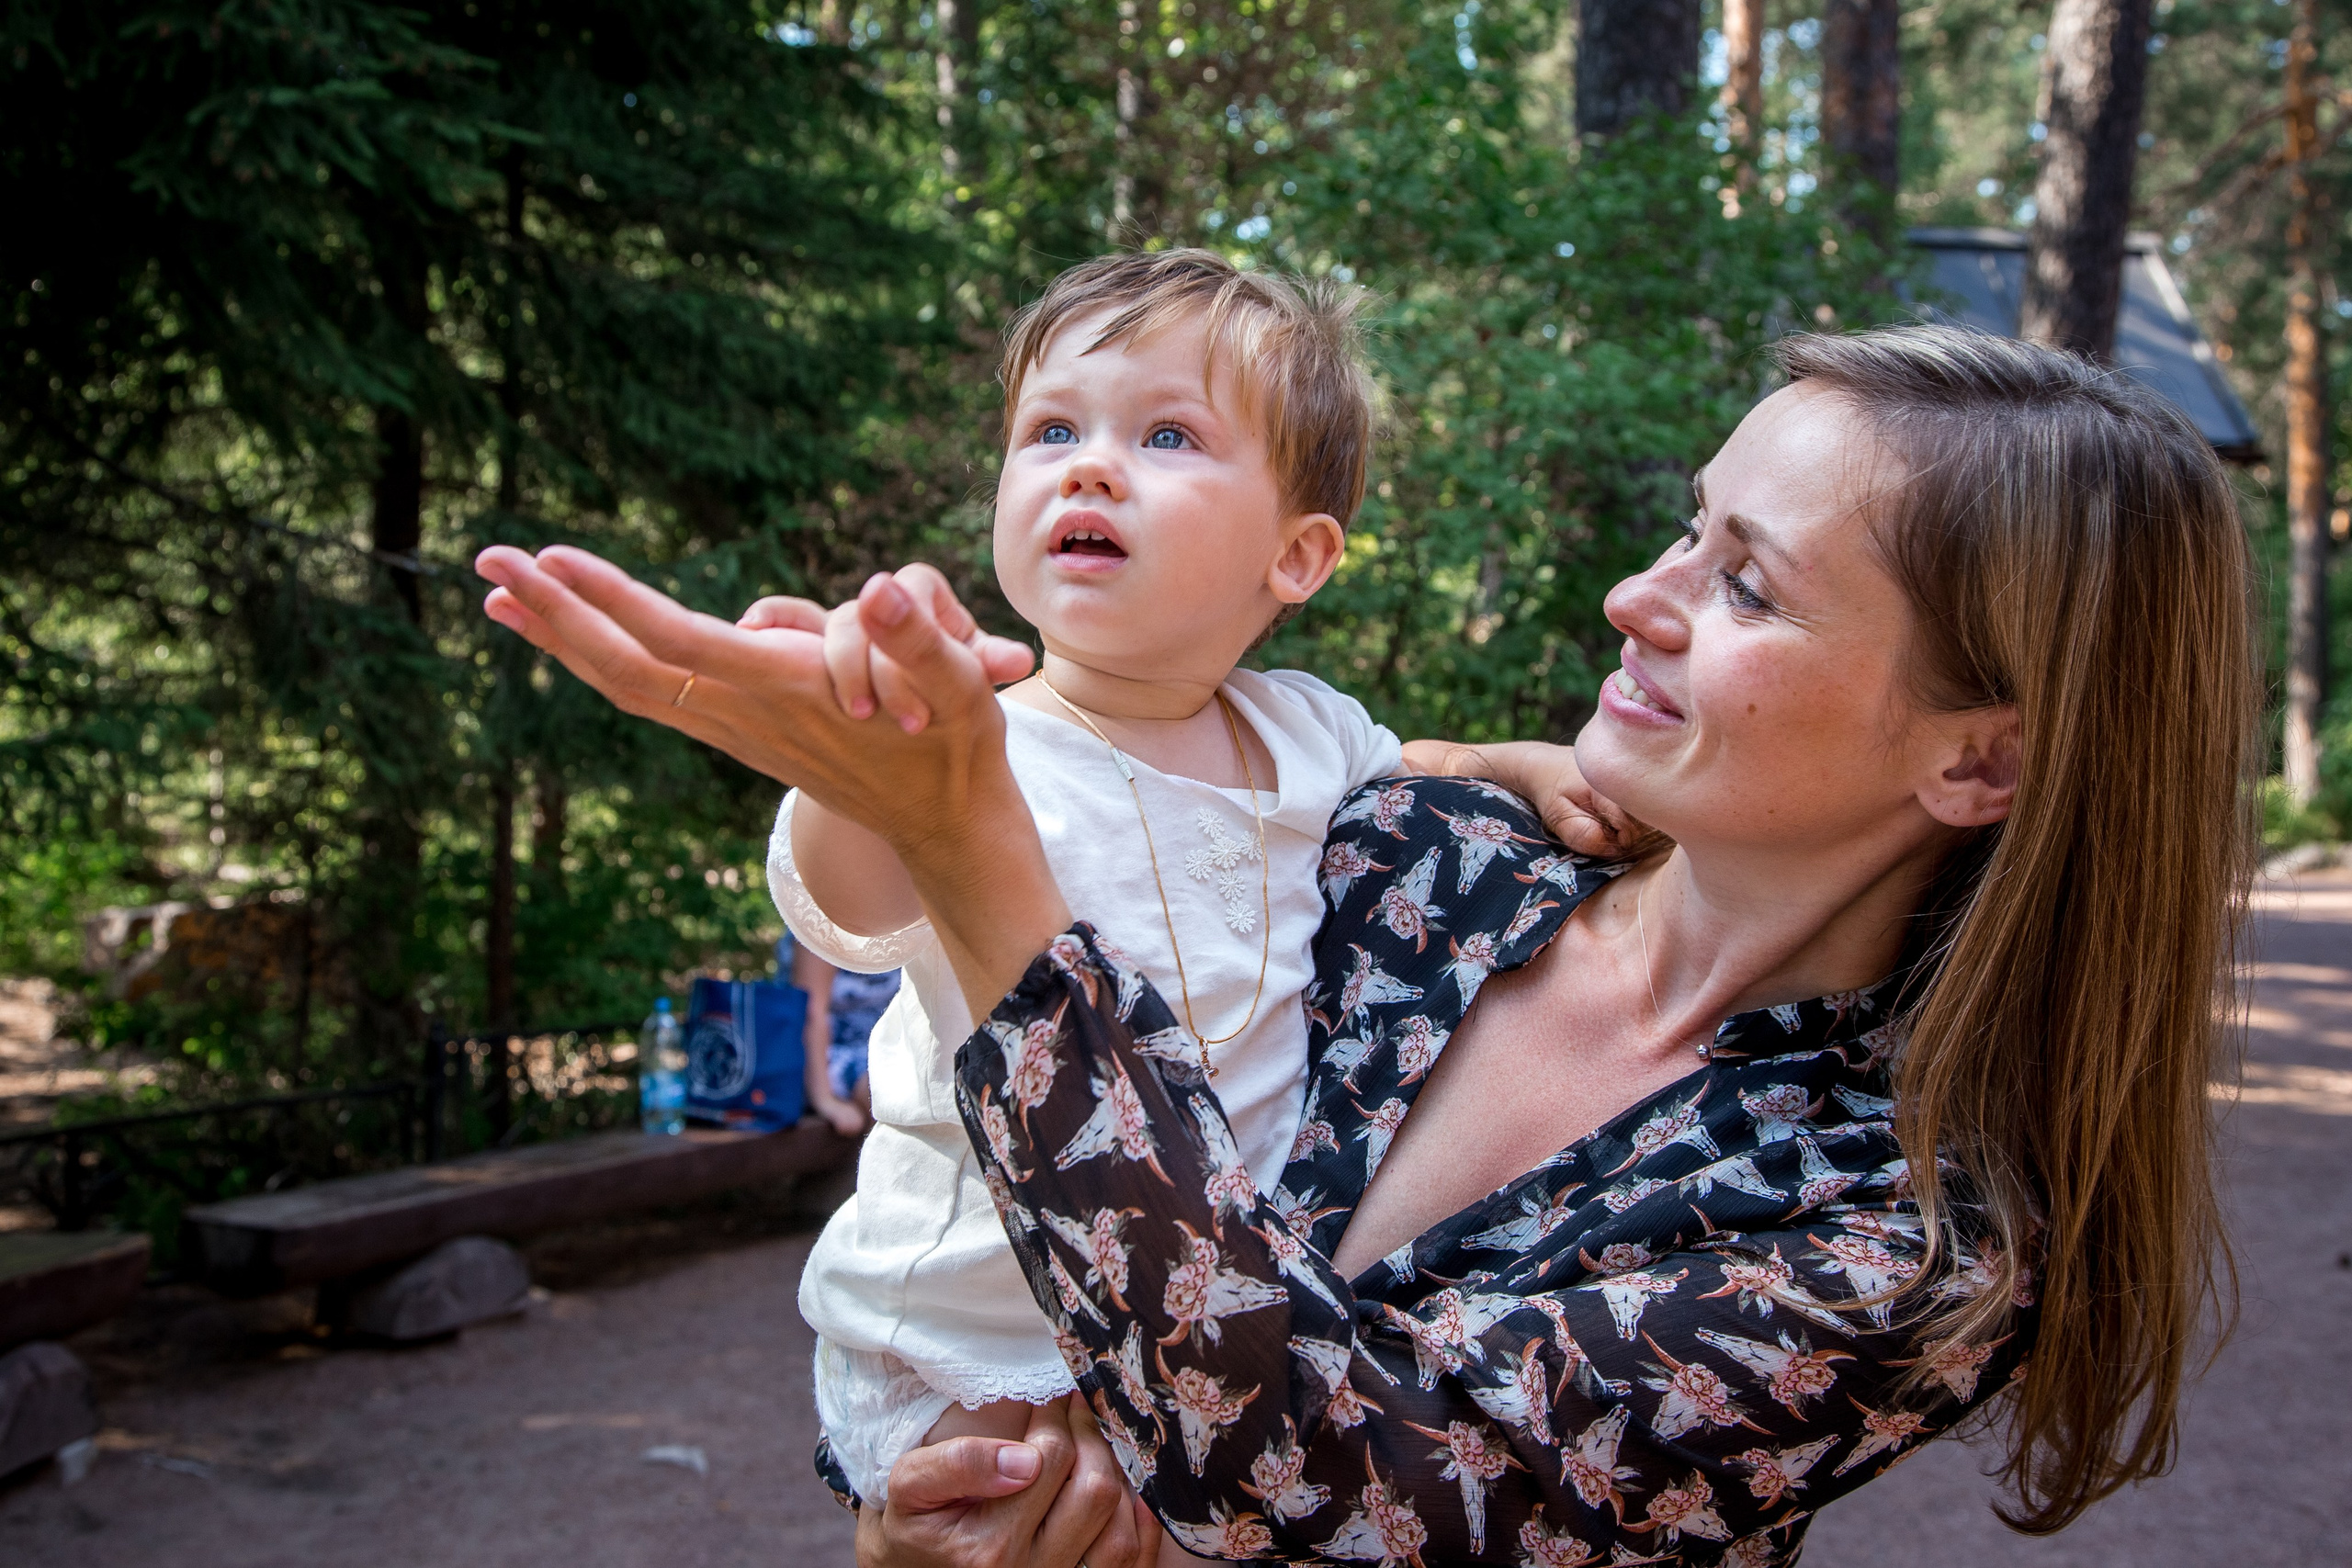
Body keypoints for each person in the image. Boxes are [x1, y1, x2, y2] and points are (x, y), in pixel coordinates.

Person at [474, 322, 2254, 1567]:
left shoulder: (1898, 1234)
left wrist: (969, 839)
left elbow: (1320, 1472)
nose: (1635, 596)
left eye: (1746, 584)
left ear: (1981, 753)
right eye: (1683, 531)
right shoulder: (1421, 862)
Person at [755, 249, 1599, 1506]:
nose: (1088, 464)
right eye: (1050, 429)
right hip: (972, 1323)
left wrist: (1528, 762)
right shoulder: (980, 740)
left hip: (1204, 1320)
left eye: (1165, 433)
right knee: (1045, 1515)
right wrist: (854, 765)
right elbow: (854, 899)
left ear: (1298, 556)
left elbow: (1414, 759)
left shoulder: (1305, 730)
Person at [784, 931, 895, 1138]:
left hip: (887, 1047)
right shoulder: (820, 916)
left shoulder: (911, 920)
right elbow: (810, 1011)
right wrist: (824, 1099)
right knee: (891, 1093)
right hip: (825, 1052)